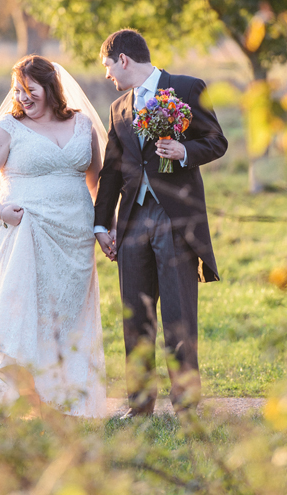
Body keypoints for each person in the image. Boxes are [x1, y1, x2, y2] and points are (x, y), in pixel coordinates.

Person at [0, 55, 108, 422]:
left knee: (67, 316)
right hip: (26, 234)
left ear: (51, 88)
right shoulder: (8, 128)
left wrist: (103, 227)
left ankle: (68, 400)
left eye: (30, 89)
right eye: (17, 90)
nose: (23, 97)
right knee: (21, 316)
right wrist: (1, 212)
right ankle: (24, 398)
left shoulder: (82, 125)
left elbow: (97, 182)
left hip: (74, 235)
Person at [93, 29, 227, 418]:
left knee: (179, 315)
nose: (107, 77)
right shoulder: (119, 107)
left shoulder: (186, 87)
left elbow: (216, 140)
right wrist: (102, 225)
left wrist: (185, 150)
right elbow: (113, 173)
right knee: (135, 315)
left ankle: (186, 405)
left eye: (107, 67)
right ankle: (139, 406)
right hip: (133, 220)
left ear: (124, 60)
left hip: (175, 218)